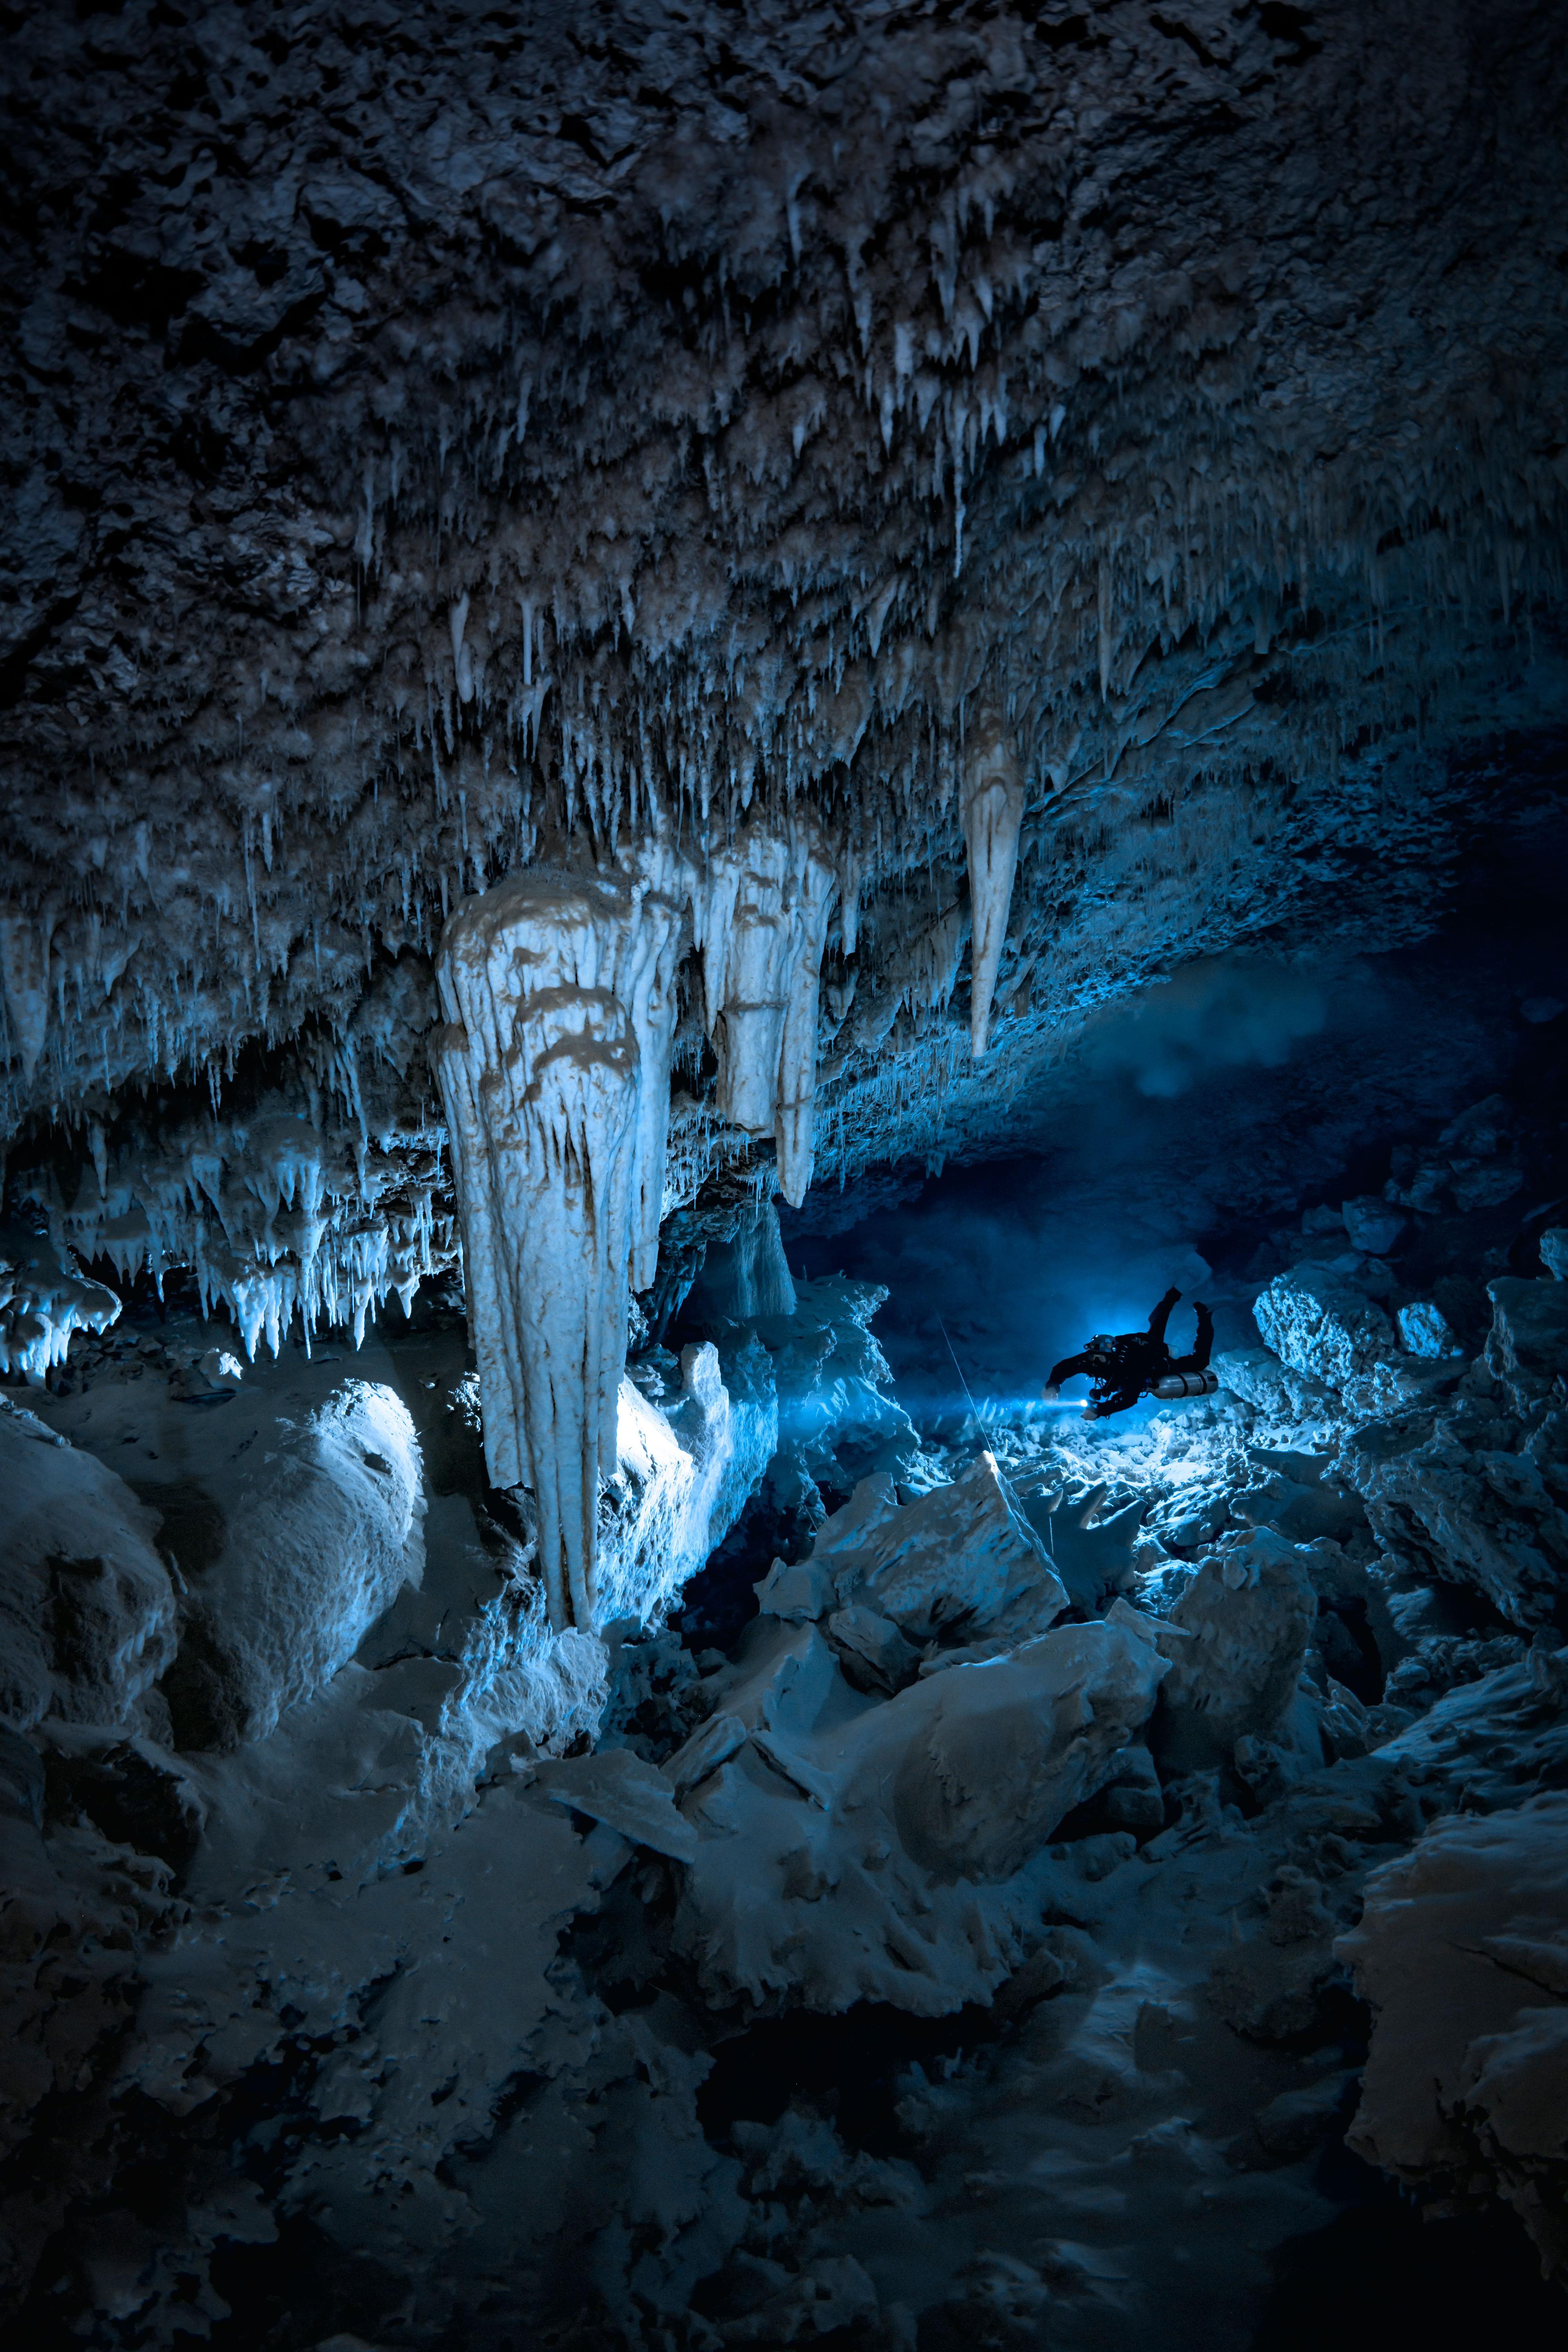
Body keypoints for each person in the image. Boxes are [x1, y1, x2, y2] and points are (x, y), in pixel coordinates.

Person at [1043, 1286, 1214, 1419]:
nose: (1093, 1361)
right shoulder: (1093, 1358)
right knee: (1157, 1323)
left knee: (1200, 1362)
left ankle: (1205, 1317)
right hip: (1147, 1342)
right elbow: (1066, 1366)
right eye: (1092, 1356)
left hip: (1152, 1359)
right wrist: (1053, 1386)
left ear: (1110, 1357)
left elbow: (1129, 1398)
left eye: (1098, 1358)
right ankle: (1173, 1294)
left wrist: (1099, 1411)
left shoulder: (1129, 1365)